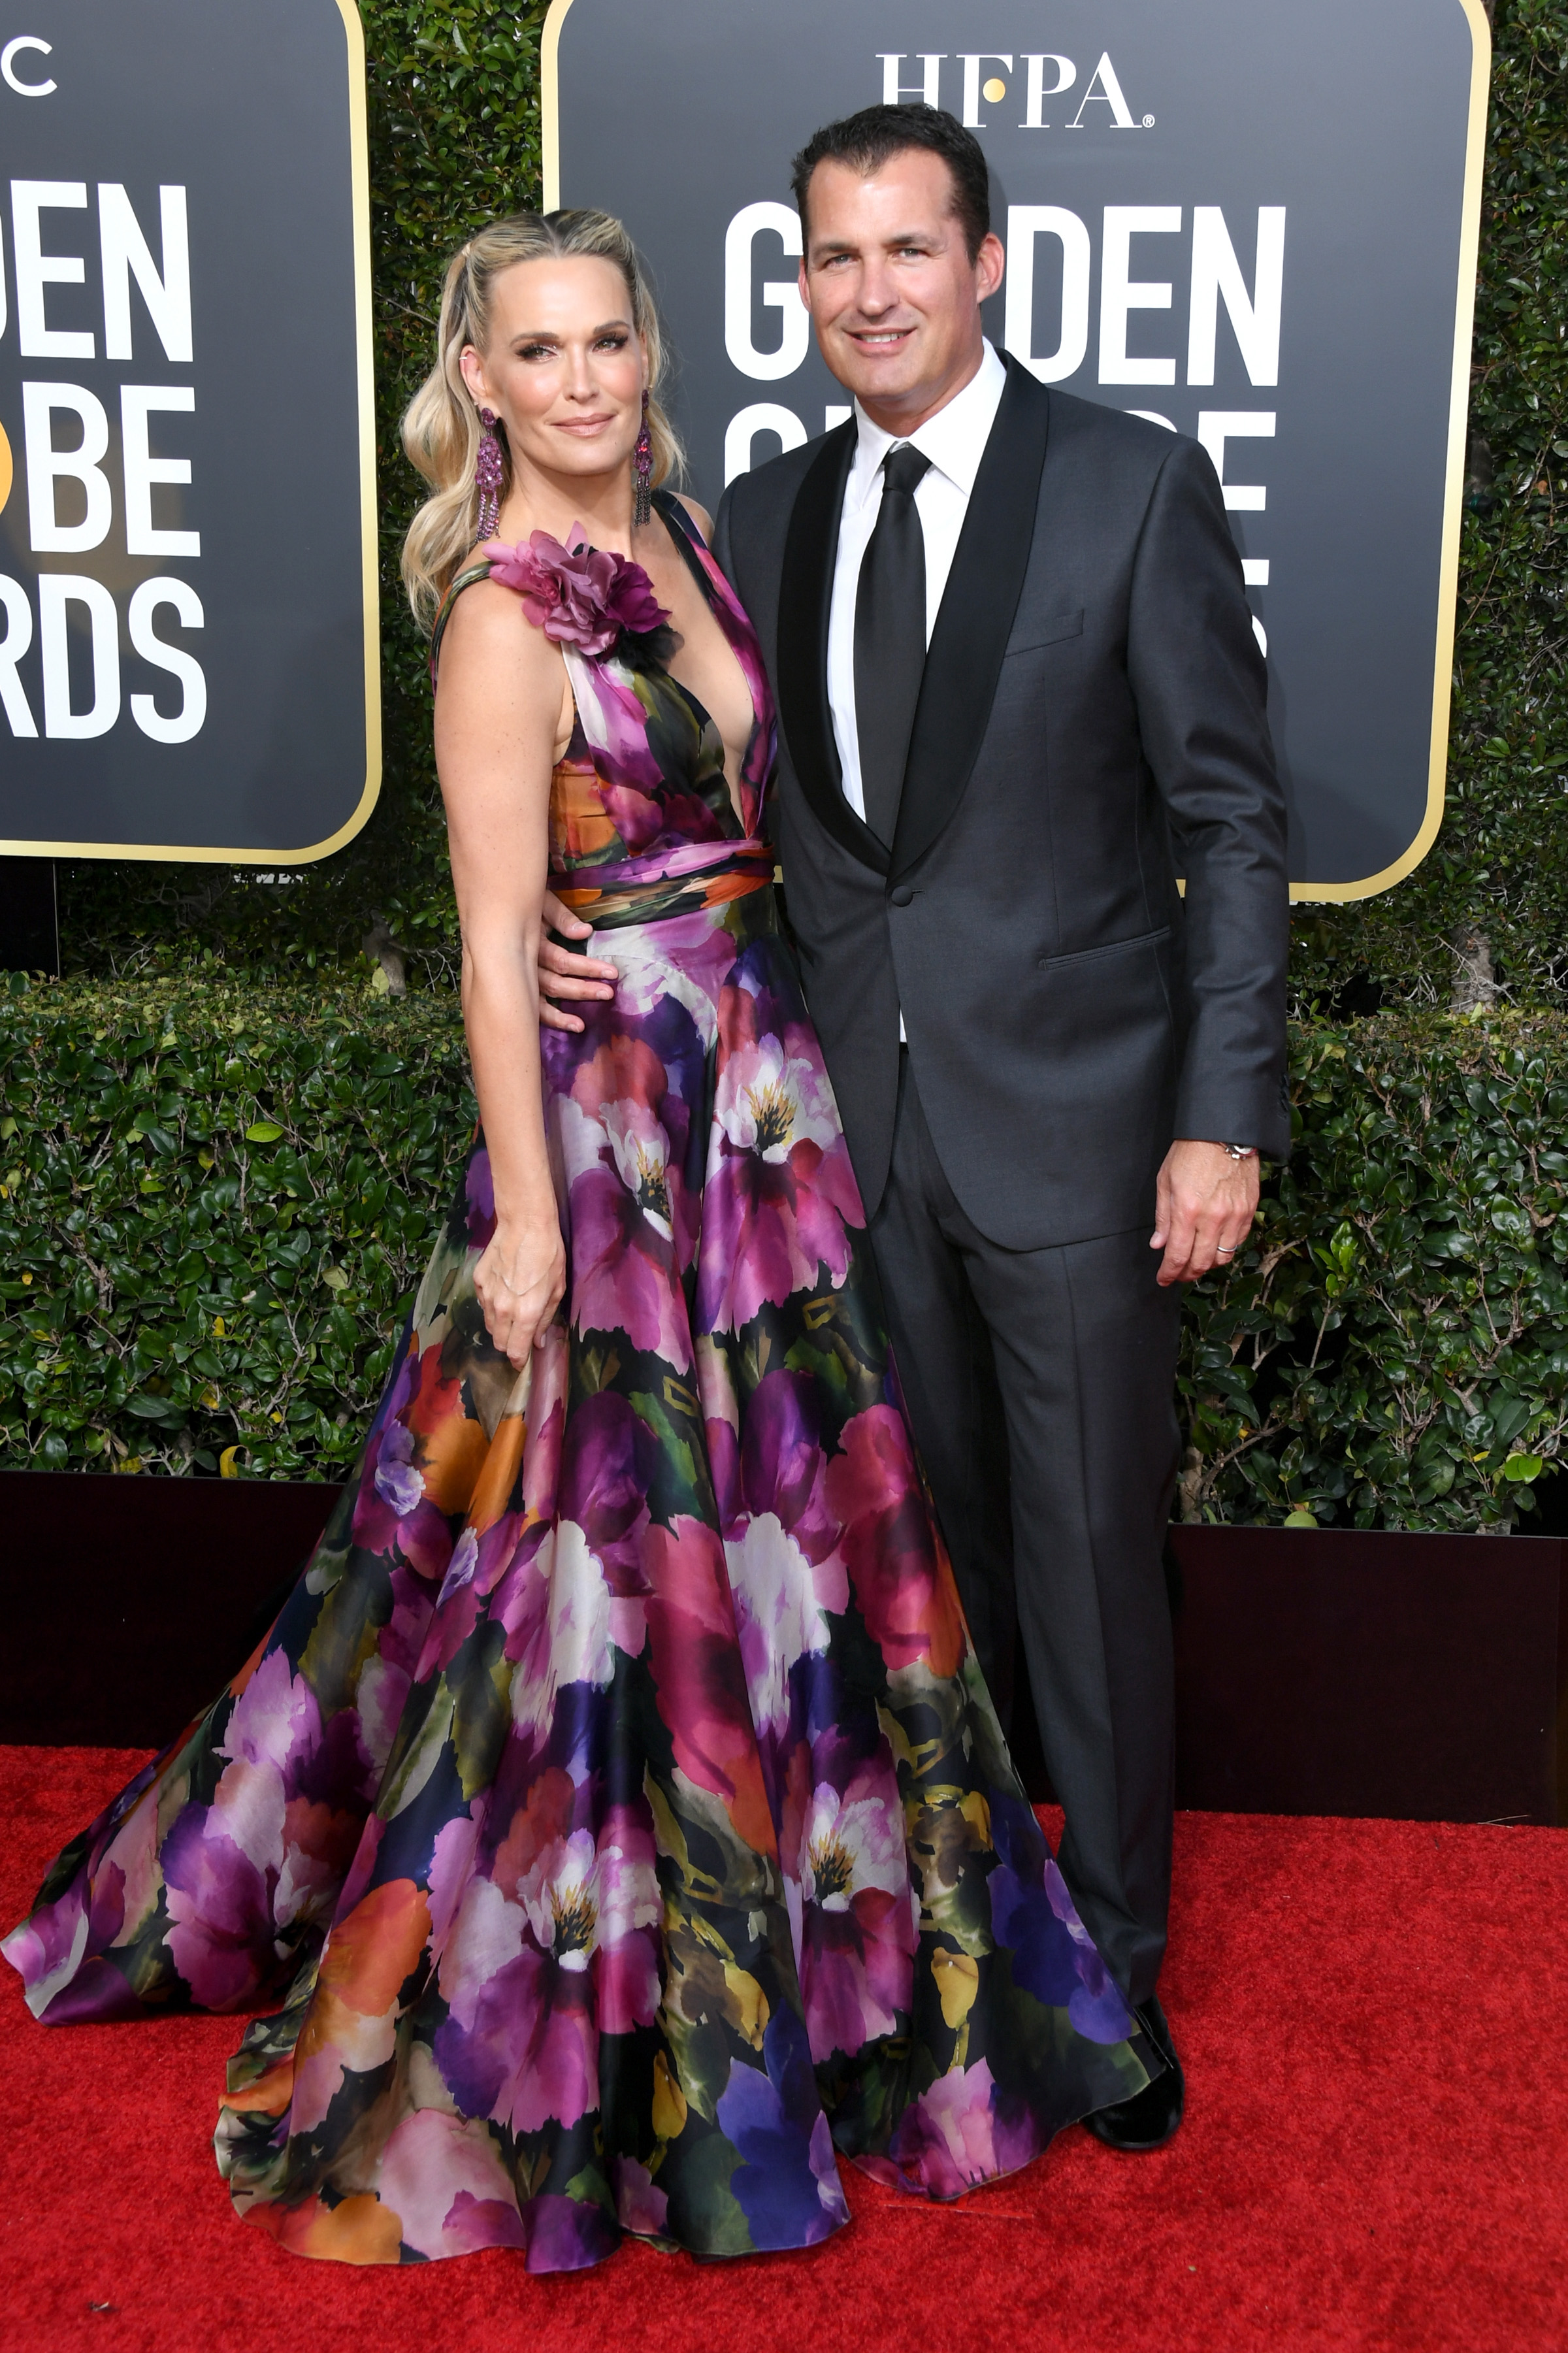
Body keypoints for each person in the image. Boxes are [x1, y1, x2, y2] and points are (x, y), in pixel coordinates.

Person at [2, 208, 1160, 2275]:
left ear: (650, 349)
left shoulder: (700, 546)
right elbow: (481, 937)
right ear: (480, 383)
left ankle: (822, 1963)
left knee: (803, 1548)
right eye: (535, 353)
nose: (584, 381)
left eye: (609, 337)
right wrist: (529, 1216)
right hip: (620, 1146)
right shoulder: (503, 618)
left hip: (763, 1110)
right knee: (608, 1569)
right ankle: (606, 2017)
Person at [540, 109, 1291, 2154]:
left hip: (1077, 1127)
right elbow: (665, 785)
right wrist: (551, 904)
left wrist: (1220, 1119)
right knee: (909, 1577)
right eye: (829, 258)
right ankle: (948, 1948)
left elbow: (1230, 824)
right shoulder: (748, 523)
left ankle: (1111, 1987)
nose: (868, 290)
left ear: (983, 264)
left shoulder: (1129, 488)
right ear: (798, 282)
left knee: (1085, 1560)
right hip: (826, 1146)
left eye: (907, 250)